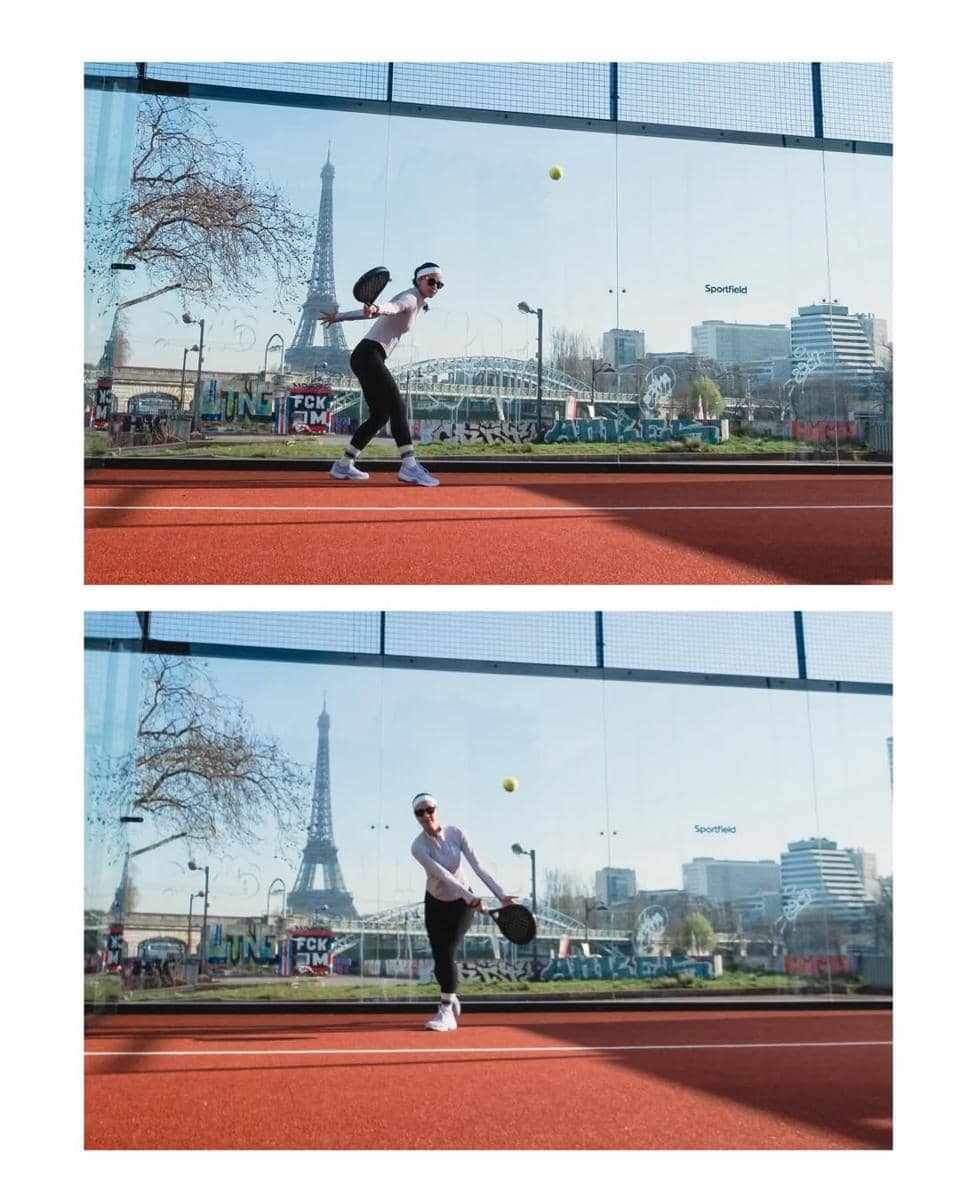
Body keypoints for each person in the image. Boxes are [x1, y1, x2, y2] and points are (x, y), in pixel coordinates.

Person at [321, 263, 445, 487]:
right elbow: (393, 307)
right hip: (369, 355)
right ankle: (409, 466)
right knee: (397, 405)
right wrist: (378, 308)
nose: (435, 286)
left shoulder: (417, 301)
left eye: (439, 284)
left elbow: (371, 312)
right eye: (431, 281)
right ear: (419, 280)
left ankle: (344, 464)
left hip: (366, 356)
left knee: (380, 416)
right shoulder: (410, 298)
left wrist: (338, 317)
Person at [410, 791, 517, 1031]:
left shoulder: (457, 833)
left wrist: (501, 895)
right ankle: (451, 994)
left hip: (461, 904)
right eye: (420, 812)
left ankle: (446, 1011)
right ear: (416, 817)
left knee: (447, 953)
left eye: (430, 809)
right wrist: (472, 899)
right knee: (440, 958)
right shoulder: (418, 847)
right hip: (436, 902)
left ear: (437, 809)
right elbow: (442, 875)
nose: (426, 815)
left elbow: (478, 866)